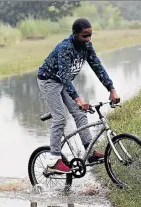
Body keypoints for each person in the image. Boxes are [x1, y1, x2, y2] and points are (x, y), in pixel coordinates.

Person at [37, 18, 120, 174]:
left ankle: (89, 152)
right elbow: (64, 76)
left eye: (90, 35)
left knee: (79, 113)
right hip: (49, 81)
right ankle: (53, 160)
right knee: (60, 117)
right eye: (84, 36)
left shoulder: (87, 46)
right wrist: (78, 99)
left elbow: (97, 66)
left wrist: (111, 88)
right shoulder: (65, 47)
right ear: (75, 34)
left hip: (63, 83)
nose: (88, 39)